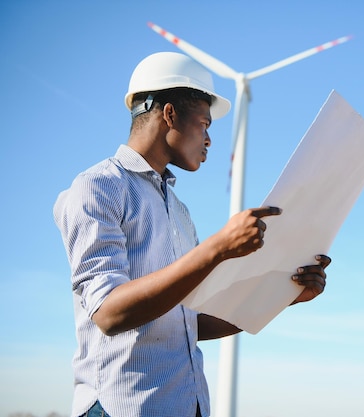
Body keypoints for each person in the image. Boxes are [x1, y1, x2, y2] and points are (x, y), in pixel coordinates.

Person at [53, 51, 331, 417]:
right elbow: (108, 313)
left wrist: (285, 296)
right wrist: (218, 248)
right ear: (170, 114)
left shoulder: (179, 212)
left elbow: (190, 322)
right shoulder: (98, 188)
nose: (209, 139)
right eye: (204, 123)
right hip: (122, 408)